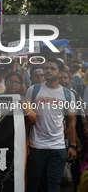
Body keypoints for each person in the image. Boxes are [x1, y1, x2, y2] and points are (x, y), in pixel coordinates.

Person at [25, 58, 77, 192]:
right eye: (46, 68)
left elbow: (71, 122)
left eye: (52, 68)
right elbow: (27, 118)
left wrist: (72, 145)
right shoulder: (33, 90)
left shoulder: (68, 94)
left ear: (60, 72)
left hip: (58, 147)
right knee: (33, 183)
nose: (47, 70)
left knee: (53, 185)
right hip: (36, 146)